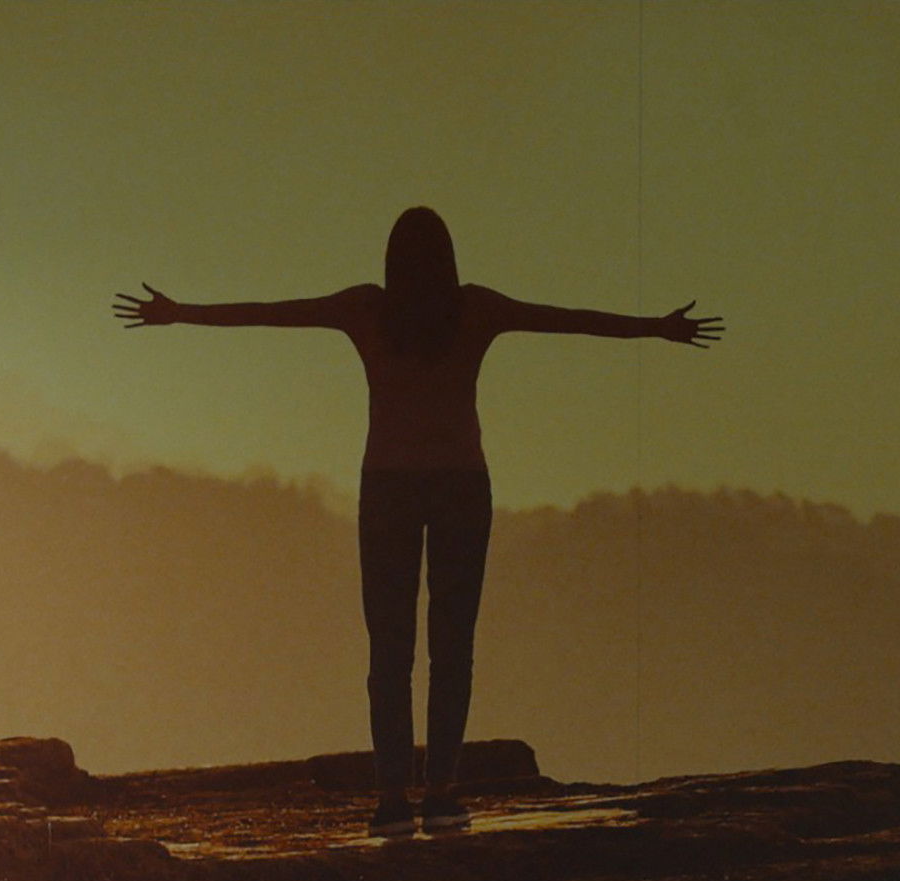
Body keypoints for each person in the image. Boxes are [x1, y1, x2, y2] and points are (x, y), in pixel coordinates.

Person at [115, 206, 722, 837]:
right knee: (451, 647)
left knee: (390, 649)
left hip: (388, 488)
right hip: (462, 486)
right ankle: (440, 793)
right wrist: (657, 328)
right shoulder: (473, 309)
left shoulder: (367, 309)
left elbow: (273, 311)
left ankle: (391, 800)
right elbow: (568, 320)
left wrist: (181, 312)